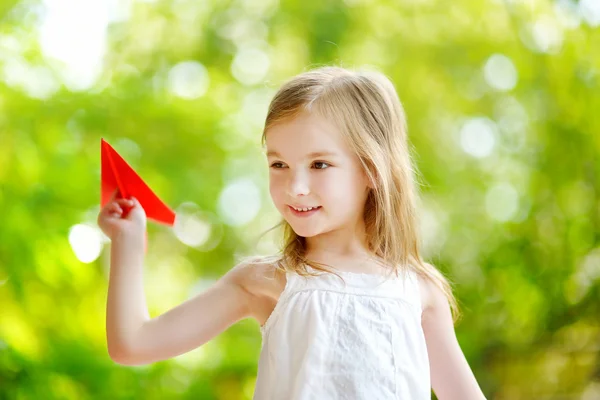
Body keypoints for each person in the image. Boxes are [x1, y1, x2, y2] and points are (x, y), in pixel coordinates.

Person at [98, 65, 487, 400]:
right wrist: (127, 241)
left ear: (371, 169)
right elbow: (132, 344)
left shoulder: (416, 292)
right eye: (279, 164)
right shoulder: (266, 282)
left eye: (319, 164)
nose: (294, 186)